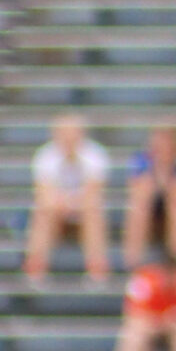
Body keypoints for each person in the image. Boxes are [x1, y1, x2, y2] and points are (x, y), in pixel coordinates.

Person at [25, 113, 111, 285]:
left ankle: (96, 267)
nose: (69, 140)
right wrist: (63, 204)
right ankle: (36, 266)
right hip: (57, 213)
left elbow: (93, 193)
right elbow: (44, 193)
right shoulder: (45, 156)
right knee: (43, 212)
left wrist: (71, 203)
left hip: (83, 212)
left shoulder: (95, 155)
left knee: (92, 211)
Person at [123, 125, 176, 268]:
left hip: (173, 208)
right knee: (138, 210)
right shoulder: (141, 161)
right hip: (149, 210)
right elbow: (135, 189)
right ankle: (133, 263)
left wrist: (167, 178)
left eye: (167, 140)